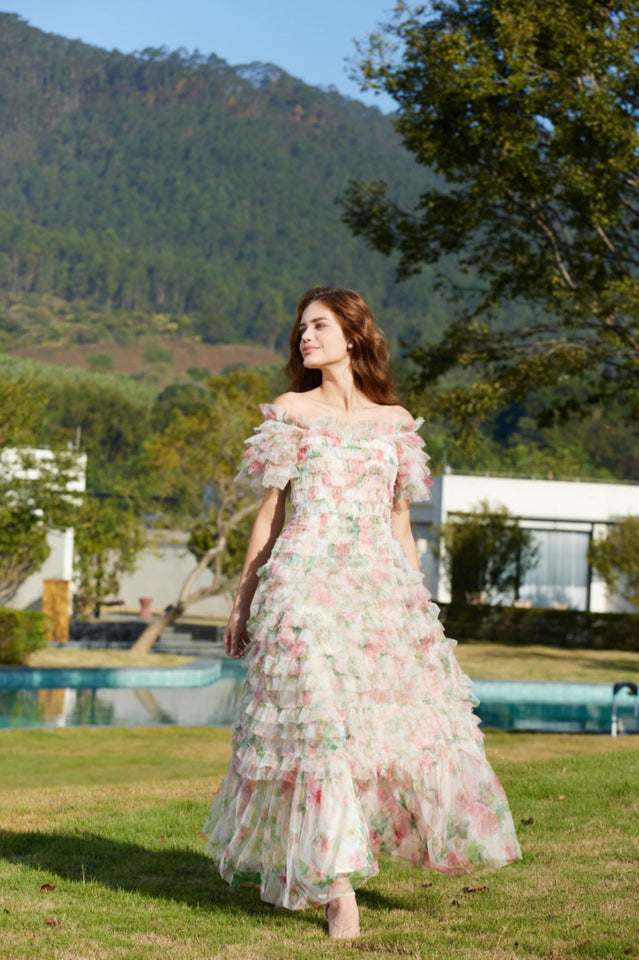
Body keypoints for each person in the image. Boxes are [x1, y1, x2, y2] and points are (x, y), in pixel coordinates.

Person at [201, 286, 521, 939]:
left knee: (367, 736)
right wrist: (242, 600)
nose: (304, 337)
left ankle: (317, 865)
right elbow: (269, 517)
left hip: (376, 592)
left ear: (352, 335)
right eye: (301, 328)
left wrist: (416, 608)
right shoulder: (291, 413)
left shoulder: (396, 423)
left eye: (318, 326)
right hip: (302, 587)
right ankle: (338, 888)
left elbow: (400, 522)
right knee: (317, 728)